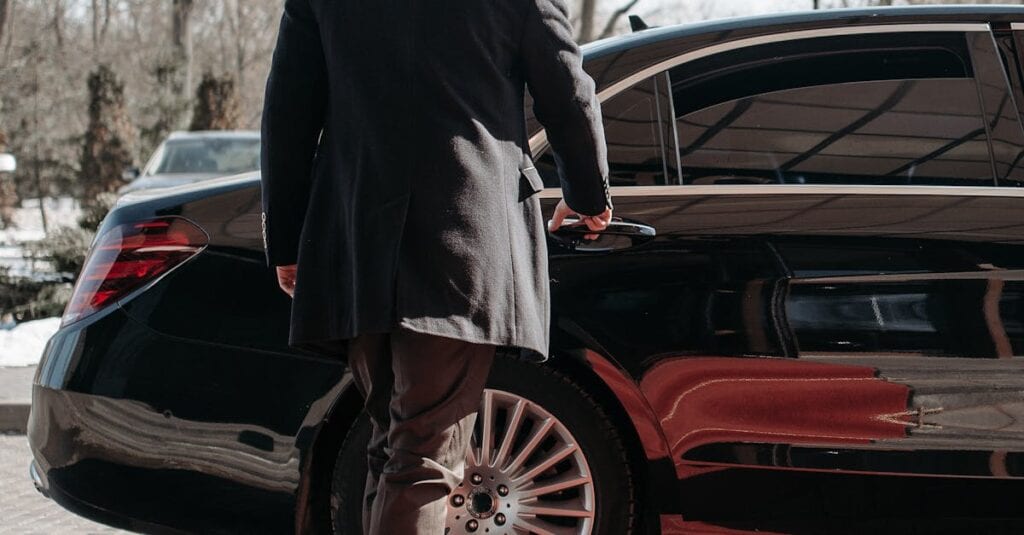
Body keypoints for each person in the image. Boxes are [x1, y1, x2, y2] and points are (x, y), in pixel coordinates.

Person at [260, 0, 613, 532]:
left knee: (392, 447)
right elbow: (567, 94)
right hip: (462, 240)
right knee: (420, 456)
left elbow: (287, 111)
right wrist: (588, 195)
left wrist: (287, 243)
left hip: (357, 240)